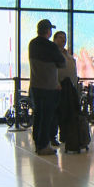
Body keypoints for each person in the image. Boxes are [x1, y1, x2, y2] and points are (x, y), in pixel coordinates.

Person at [28, 19, 65, 155]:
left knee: (38, 115)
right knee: (47, 116)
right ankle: (44, 145)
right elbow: (62, 63)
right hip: (49, 86)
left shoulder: (32, 44)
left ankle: (38, 142)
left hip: (35, 86)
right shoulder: (51, 46)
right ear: (48, 31)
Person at [51, 30, 77, 146]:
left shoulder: (68, 55)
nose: (63, 40)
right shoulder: (53, 54)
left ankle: (65, 135)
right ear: (55, 39)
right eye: (60, 38)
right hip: (57, 87)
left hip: (69, 87)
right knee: (56, 113)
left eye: (64, 38)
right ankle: (52, 136)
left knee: (67, 111)